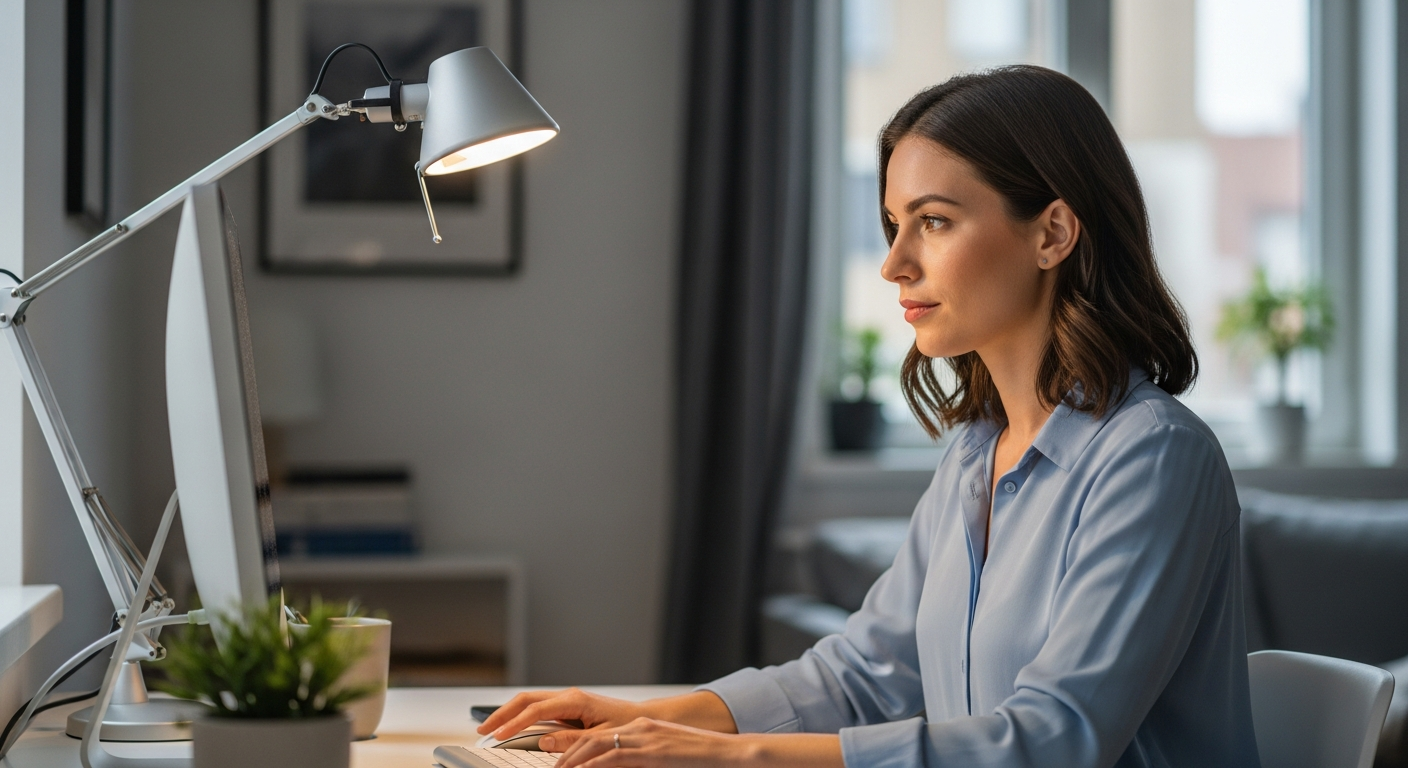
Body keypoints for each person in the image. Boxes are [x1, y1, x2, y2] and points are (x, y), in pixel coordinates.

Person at [477, 65, 1260, 768]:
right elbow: (865, 673)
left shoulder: (1153, 459)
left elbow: (1052, 741)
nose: (894, 263)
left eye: (935, 221)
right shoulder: (974, 453)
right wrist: (649, 721)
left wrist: (729, 759)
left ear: (1051, 232)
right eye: (895, 224)